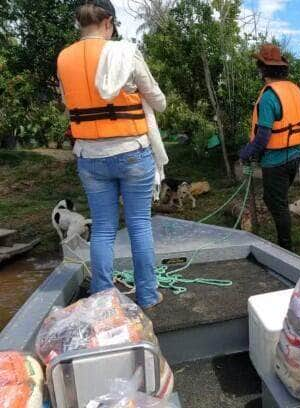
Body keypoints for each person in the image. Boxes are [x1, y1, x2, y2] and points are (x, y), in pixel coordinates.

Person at [57, 0, 166, 309]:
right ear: (108, 23)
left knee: (103, 228)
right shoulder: (125, 53)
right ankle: (146, 295)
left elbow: (68, 104)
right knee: (139, 225)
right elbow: (158, 103)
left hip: (90, 158)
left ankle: (103, 299)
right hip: (132, 152)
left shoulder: (64, 57)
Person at [239, 44, 300, 250]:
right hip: (295, 155)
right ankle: (285, 243)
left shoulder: (269, 96)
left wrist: (246, 153)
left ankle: (286, 249)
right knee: (278, 199)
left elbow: (263, 136)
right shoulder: (294, 90)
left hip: (276, 161)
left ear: (262, 69)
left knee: (276, 204)